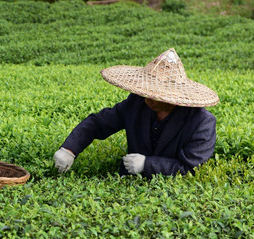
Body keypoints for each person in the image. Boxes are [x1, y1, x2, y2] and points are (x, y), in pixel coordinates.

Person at [53, 48, 219, 178]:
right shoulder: (137, 103)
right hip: (127, 184)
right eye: (146, 92)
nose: (148, 99)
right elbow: (98, 123)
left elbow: (190, 168)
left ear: (174, 96)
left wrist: (147, 165)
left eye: (155, 95)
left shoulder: (202, 122)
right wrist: (69, 149)